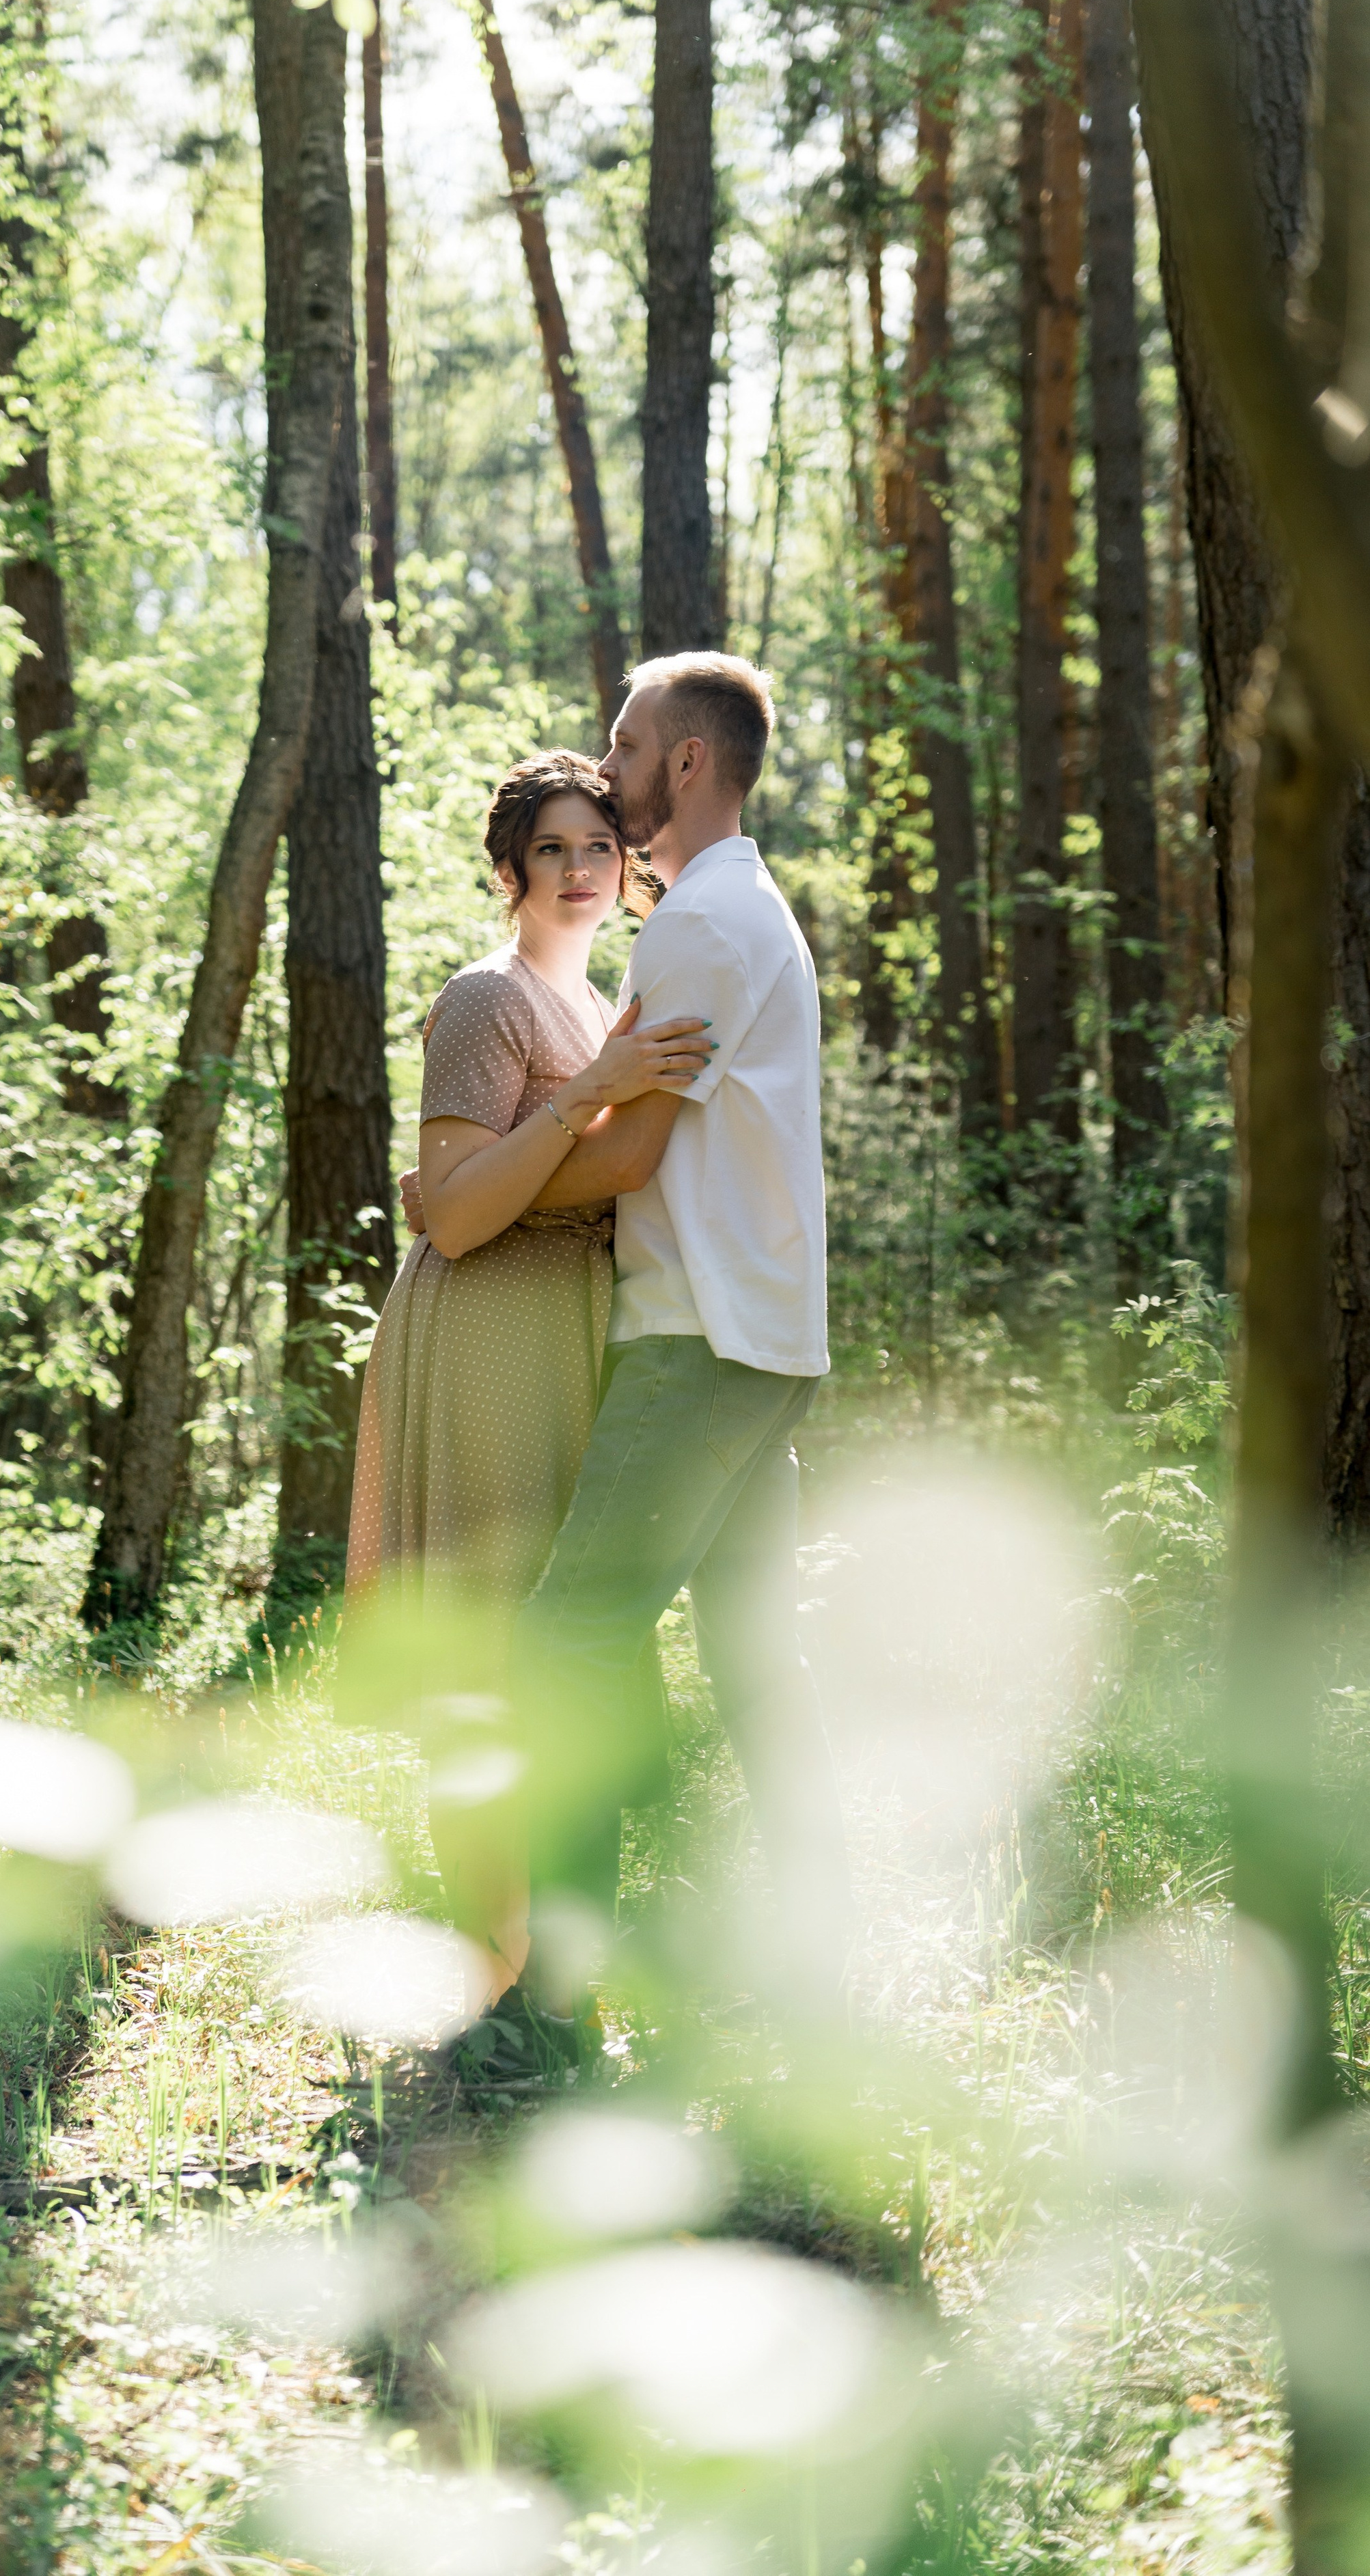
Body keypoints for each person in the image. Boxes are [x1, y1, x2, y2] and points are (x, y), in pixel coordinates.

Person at [344, 749, 715, 2002]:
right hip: (486, 1327)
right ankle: (493, 1977)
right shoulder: (486, 999)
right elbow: (450, 1220)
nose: (575, 871)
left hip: (567, 1326)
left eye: (596, 849)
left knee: (553, 1646)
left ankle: (545, 1963)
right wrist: (591, 1100)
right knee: (494, 1654)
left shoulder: (598, 1000)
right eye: (549, 850)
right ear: (510, 871)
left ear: (626, 869)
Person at [504, 653, 841, 2023]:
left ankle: (555, 2004)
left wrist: (477, 1198)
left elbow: (630, 1152)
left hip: (695, 1338)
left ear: (685, 762)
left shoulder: (699, 926)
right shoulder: (738, 907)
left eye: (626, 740)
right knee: (759, 1668)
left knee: (564, 1648)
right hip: (759, 1343)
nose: (609, 759)